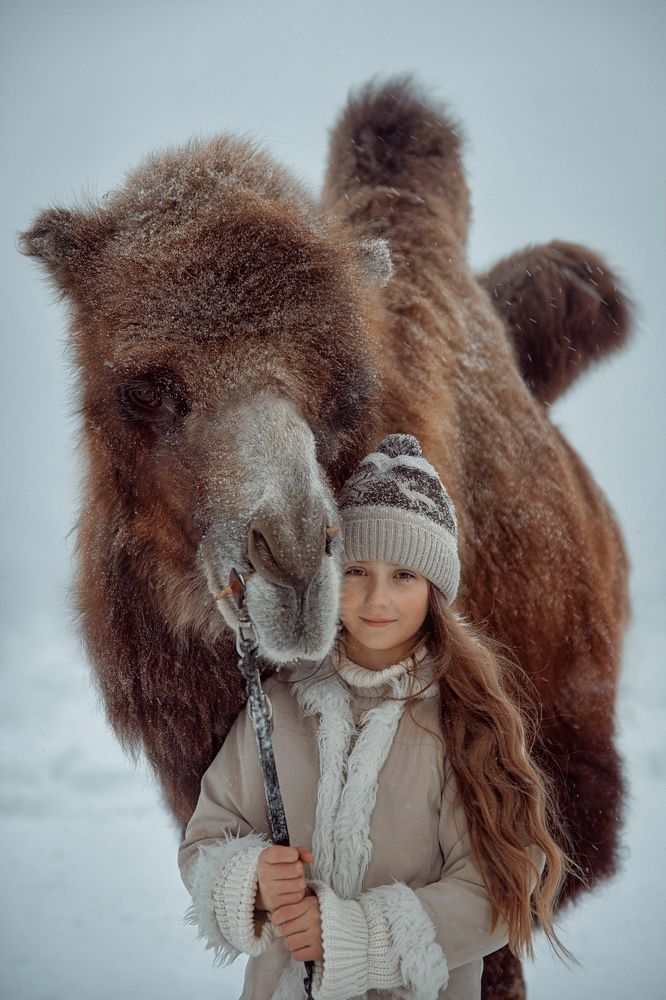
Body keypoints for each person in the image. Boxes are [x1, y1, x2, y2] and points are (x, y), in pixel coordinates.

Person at [178, 433, 572, 999]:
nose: (377, 599)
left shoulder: (462, 718)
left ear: (435, 589)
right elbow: (206, 839)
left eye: (404, 576)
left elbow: (492, 889)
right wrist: (251, 881)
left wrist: (356, 937)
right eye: (358, 571)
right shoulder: (280, 704)